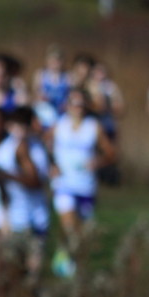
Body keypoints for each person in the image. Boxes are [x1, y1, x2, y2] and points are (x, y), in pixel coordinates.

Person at [48, 87, 117, 276]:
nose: (77, 107)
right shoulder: (59, 125)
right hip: (63, 184)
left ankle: (67, 255)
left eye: (80, 103)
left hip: (86, 186)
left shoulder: (93, 127)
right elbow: (43, 145)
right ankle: (66, 265)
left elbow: (111, 153)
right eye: (73, 103)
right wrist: (51, 164)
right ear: (67, 105)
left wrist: (98, 162)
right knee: (69, 224)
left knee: (80, 230)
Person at [0, 106, 51, 274]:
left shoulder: (37, 149)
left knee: (34, 268)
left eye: (24, 125)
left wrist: (9, 173)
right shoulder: (3, 151)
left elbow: (36, 181)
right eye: (17, 125)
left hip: (37, 215)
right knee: (10, 267)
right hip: (13, 218)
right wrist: (4, 215)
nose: (20, 130)